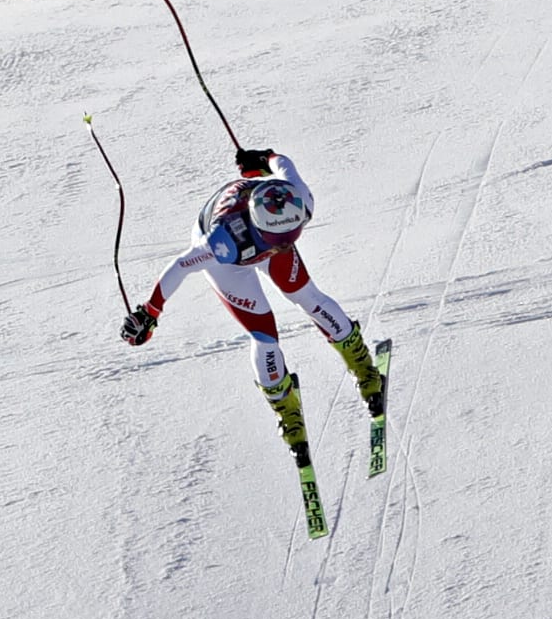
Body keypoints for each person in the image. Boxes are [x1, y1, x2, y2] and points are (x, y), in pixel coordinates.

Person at [119, 147, 385, 459]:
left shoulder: (298, 201)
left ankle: (362, 365)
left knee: (308, 296)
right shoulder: (222, 241)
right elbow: (181, 266)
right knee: (264, 335)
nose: (284, 244)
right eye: (278, 238)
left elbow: (283, 164)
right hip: (231, 262)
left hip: (257, 228)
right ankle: (286, 409)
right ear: (260, 227)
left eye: (293, 234)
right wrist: (150, 311)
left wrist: (264, 157)